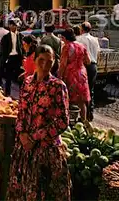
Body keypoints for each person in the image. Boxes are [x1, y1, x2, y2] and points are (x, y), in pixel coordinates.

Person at [7, 45, 71, 201]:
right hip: (24, 149)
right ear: (34, 60)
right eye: (41, 60)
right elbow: (21, 111)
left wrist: (34, 138)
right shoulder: (27, 82)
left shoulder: (58, 86)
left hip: (46, 150)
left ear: (54, 62)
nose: (44, 65)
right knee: (23, 190)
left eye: (49, 62)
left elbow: (63, 120)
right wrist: (22, 134)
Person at [58, 28, 91, 123]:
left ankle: (67, 121)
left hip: (71, 75)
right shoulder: (81, 46)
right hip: (82, 73)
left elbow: (63, 64)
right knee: (82, 100)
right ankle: (84, 121)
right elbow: (88, 61)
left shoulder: (66, 47)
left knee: (68, 99)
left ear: (64, 37)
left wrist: (59, 77)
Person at [77, 22, 100, 121]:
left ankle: (84, 116)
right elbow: (98, 52)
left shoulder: (79, 39)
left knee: (83, 92)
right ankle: (90, 114)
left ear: (82, 29)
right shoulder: (95, 40)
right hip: (94, 66)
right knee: (91, 90)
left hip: (85, 66)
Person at [0, 19, 24, 97]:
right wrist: (4, 59)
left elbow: (23, 48)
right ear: (9, 26)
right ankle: (7, 94)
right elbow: (2, 49)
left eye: (15, 25)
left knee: (20, 78)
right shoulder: (6, 37)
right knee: (8, 77)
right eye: (12, 25)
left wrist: (23, 56)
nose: (13, 27)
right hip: (9, 58)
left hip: (18, 58)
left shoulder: (21, 36)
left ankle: (22, 94)